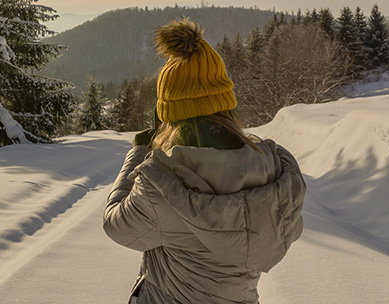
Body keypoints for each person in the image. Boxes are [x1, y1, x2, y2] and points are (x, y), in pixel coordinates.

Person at [103, 18, 306, 304]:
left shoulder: (163, 184)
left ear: (172, 118)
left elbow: (117, 226)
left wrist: (139, 153)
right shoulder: (272, 169)